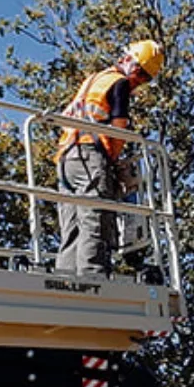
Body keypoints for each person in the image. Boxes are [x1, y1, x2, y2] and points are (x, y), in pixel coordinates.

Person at [54, 40, 164, 277]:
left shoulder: (94, 79)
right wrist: (113, 163)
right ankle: (93, 277)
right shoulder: (119, 83)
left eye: (145, 78)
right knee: (96, 216)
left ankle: (65, 277)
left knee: (71, 222)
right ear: (128, 61)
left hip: (66, 158)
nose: (139, 80)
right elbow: (119, 128)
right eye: (140, 73)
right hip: (89, 156)